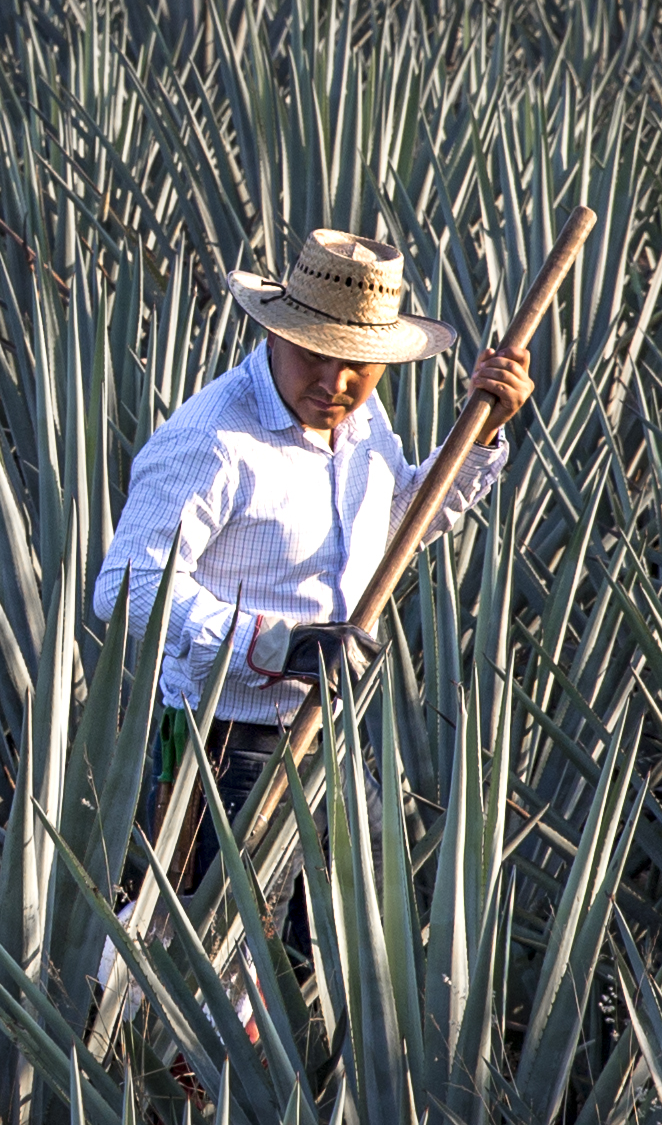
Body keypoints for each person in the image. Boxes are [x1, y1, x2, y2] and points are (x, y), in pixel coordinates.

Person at [92, 229, 536, 888]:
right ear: (276, 332)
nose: (336, 381)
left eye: (359, 361)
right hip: (213, 750)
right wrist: (278, 647)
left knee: (342, 950)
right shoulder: (213, 439)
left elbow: (393, 530)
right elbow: (128, 586)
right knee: (217, 964)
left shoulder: (359, 421)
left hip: (326, 738)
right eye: (316, 355)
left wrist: (483, 432)